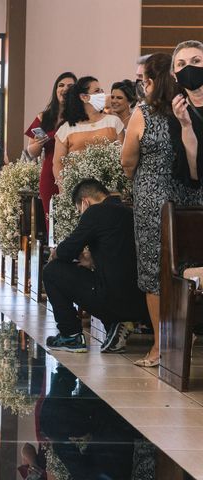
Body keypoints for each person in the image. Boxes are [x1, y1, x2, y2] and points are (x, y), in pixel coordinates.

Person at [122, 51, 203, 366]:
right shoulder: (191, 110)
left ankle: (159, 347)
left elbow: (128, 160)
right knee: (187, 269)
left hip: (153, 203)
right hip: (191, 202)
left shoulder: (144, 112)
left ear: (152, 81)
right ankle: (186, 336)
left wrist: (140, 178)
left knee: (154, 273)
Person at [43, 179, 150, 353]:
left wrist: (54, 252)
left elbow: (67, 251)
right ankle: (117, 325)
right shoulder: (129, 211)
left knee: (52, 271)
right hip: (141, 301)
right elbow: (121, 254)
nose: (81, 214)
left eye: (80, 211)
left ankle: (70, 335)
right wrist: (92, 260)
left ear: (85, 202)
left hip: (113, 298)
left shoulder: (95, 212)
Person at [25, 72, 77, 231]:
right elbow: (31, 151)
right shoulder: (43, 117)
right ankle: (55, 252)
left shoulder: (79, 116)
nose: (64, 88)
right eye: (61, 85)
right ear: (55, 90)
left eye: (70, 86)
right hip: (49, 174)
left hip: (73, 170)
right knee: (52, 218)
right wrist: (39, 143)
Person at [53, 76, 126, 187]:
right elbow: (58, 163)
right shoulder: (66, 129)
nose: (102, 94)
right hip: (78, 188)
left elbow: (123, 156)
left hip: (110, 187)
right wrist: (64, 190)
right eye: (97, 91)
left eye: (102, 90)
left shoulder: (114, 122)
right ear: (84, 97)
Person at [171, 40, 203, 187]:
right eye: (181, 64)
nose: (188, 68)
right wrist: (186, 125)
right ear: (175, 75)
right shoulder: (177, 112)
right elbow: (193, 173)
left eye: (196, 61)